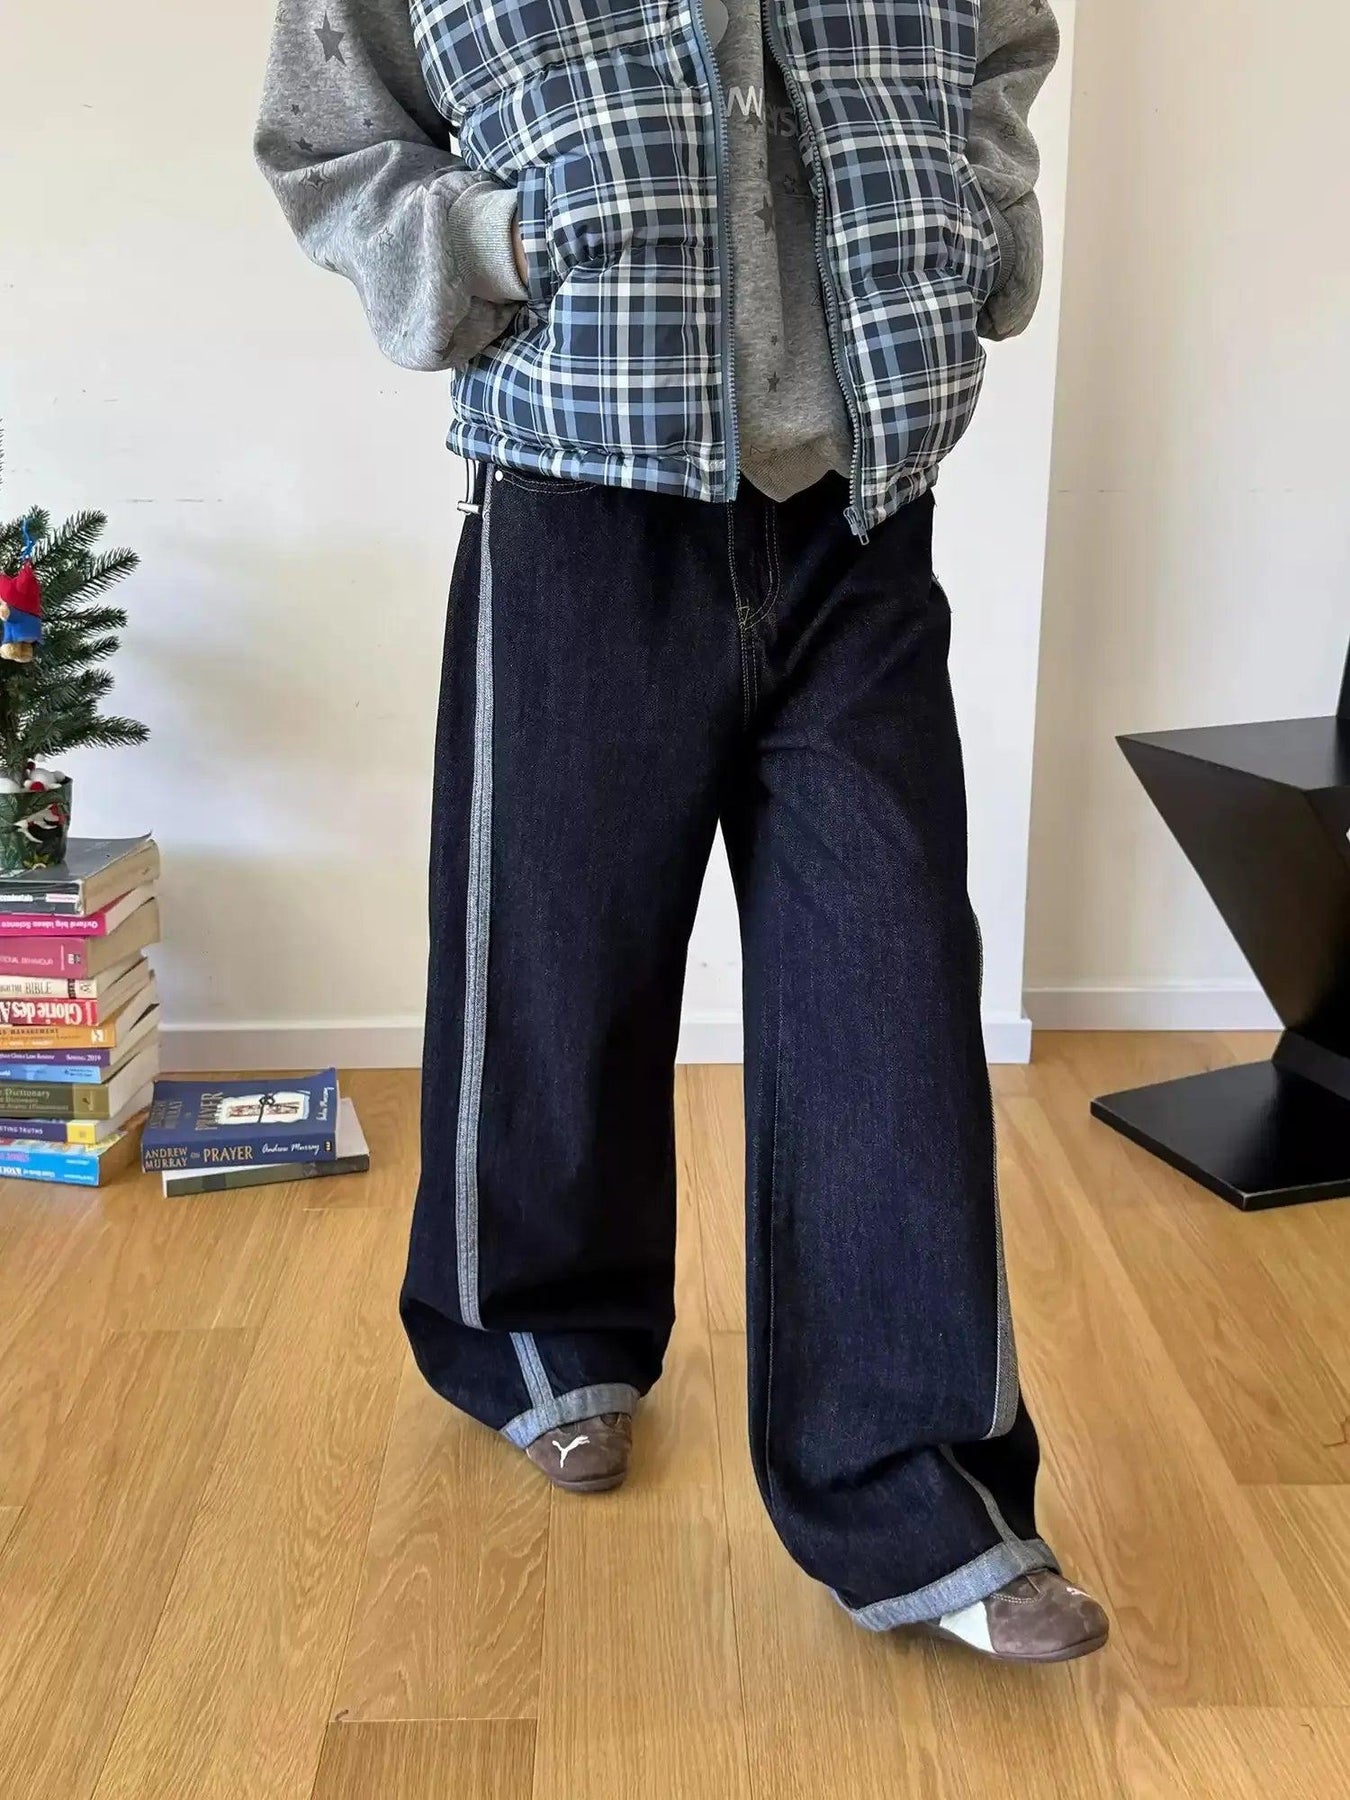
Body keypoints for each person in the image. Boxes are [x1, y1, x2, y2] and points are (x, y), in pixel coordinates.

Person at [257, 0, 1109, 1663]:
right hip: (577, 494)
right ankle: (541, 1336)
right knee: (556, 958)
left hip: (860, 510)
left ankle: (918, 1490)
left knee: (887, 989)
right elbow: (329, 138)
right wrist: (498, 240)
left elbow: (998, 45)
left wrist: (974, 215)